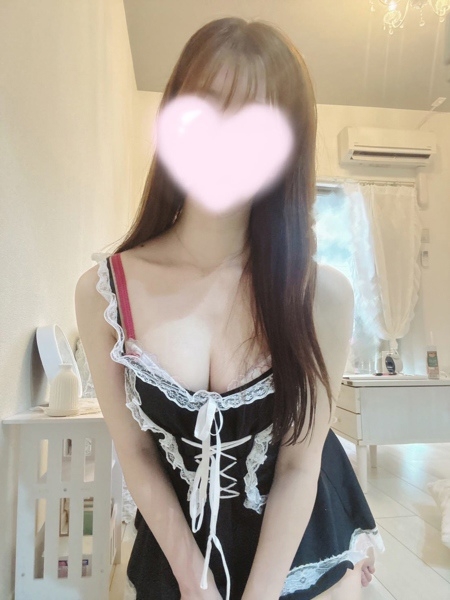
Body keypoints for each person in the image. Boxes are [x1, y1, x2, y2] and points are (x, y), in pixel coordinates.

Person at [75, 17, 385, 600]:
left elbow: (299, 465)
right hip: (176, 557)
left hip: (298, 551)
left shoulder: (322, 295)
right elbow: (136, 452)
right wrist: (196, 586)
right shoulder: (103, 295)